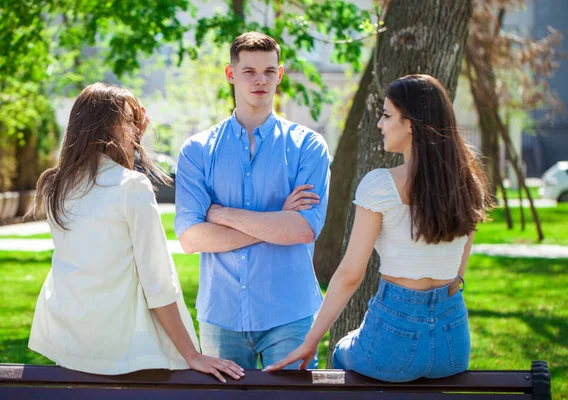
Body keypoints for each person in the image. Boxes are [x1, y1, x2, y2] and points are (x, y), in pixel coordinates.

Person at [265, 74, 491, 382]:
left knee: (342, 351)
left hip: (395, 340)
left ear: (409, 123)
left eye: (386, 115)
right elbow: (456, 276)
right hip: (453, 344)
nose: (380, 125)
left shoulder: (381, 185)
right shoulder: (469, 184)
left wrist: (311, 340)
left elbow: (350, 275)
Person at [28, 82, 244, 382]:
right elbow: (157, 282)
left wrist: (129, 137)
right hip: (124, 352)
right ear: (105, 128)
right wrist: (192, 355)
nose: (136, 129)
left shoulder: (56, 186)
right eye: (129, 121)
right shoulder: (131, 187)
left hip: (71, 342)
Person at [174, 32, 331, 370]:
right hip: (222, 315)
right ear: (231, 74)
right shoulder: (198, 150)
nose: (261, 80)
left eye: (269, 71)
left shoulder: (308, 146)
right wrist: (277, 221)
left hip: (290, 313)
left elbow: (303, 229)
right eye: (249, 72)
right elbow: (190, 238)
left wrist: (221, 214)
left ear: (280, 74)